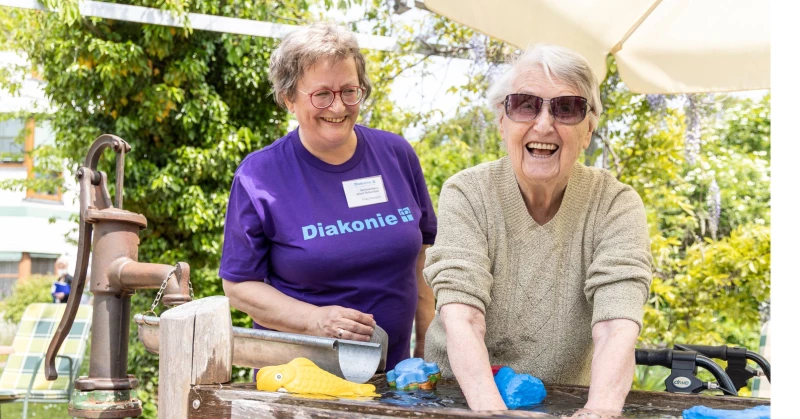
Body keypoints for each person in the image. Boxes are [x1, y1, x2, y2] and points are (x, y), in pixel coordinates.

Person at [422, 44, 653, 416]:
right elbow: (463, 316)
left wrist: (599, 412)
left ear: (589, 128)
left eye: (567, 108)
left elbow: (616, 325)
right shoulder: (467, 192)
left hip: (564, 403)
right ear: (502, 121)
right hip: (460, 397)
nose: (544, 124)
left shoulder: (615, 203)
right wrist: (492, 413)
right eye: (525, 105)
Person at [219, 22, 437, 372]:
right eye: (322, 94)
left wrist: (428, 338)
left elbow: (423, 254)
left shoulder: (396, 155)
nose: (338, 107)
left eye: (350, 91)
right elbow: (239, 286)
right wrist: (314, 320)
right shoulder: (259, 175)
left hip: (394, 377)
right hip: (298, 381)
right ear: (288, 98)